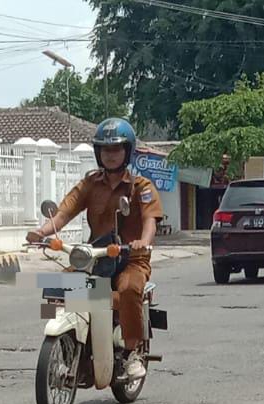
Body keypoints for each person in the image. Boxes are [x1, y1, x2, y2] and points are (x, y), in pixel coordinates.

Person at [27, 118, 163, 381]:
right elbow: (65, 210)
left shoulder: (141, 186)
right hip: (96, 256)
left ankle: (132, 351)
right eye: (104, 150)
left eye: (116, 149)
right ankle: (71, 341)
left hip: (131, 258)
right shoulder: (90, 183)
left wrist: (143, 242)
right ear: (98, 153)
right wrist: (42, 232)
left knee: (128, 290)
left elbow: (150, 220)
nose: (110, 155)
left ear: (127, 151)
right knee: (57, 286)